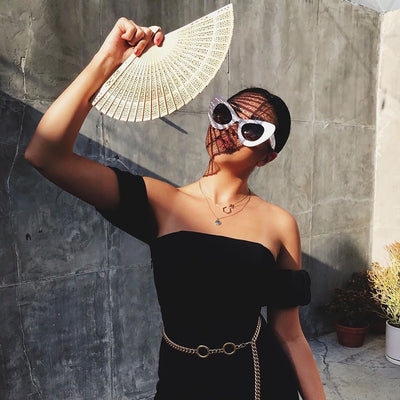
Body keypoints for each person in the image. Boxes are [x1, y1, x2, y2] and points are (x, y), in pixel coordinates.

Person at [25, 17, 326, 400]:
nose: (230, 130)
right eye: (225, 115)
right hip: (180, 383)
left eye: (251, 129)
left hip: (258, 384)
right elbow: (45, 154)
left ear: (267, 156)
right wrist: (107, 59)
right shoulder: (162, 202)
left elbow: (290, 334)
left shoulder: (279, 223)